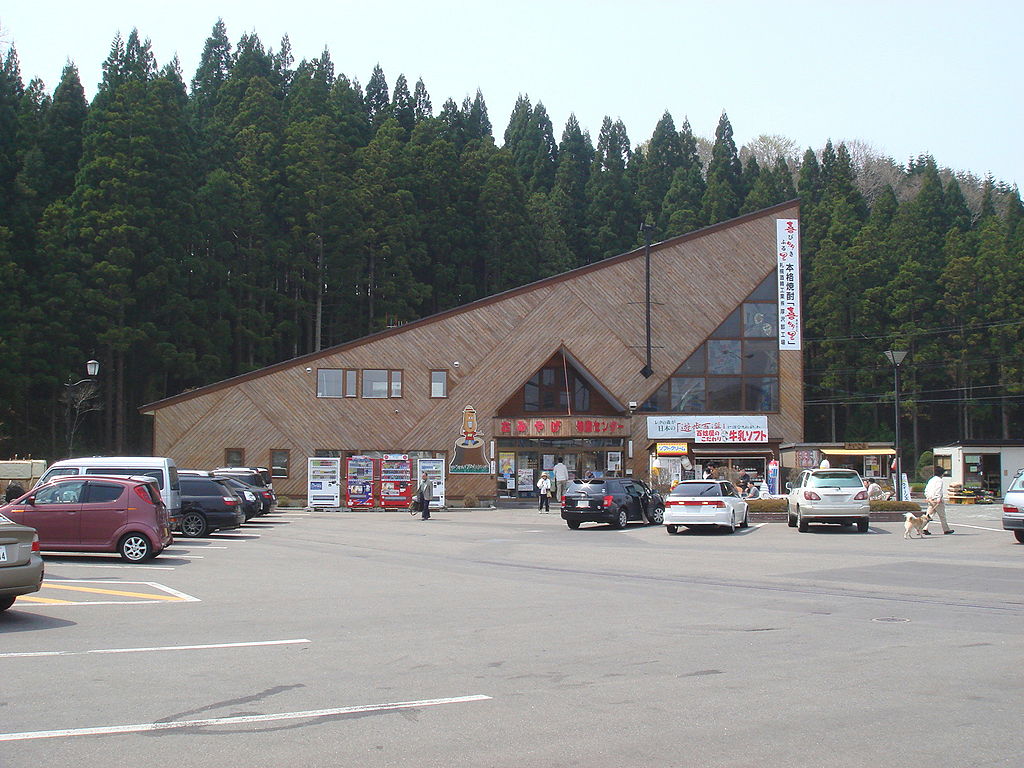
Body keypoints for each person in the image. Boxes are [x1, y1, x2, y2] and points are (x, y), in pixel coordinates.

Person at [923, 467, 953, 535]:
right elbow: (938, 490)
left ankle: (924, 528)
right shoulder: (939, 480)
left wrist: (928, 497)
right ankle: (946, 529)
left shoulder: (931, 480)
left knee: (929, 514)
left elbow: (926, 489)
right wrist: (938, 498)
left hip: (930, 500)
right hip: (937, 500)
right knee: (942, 516)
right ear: (942, 474)